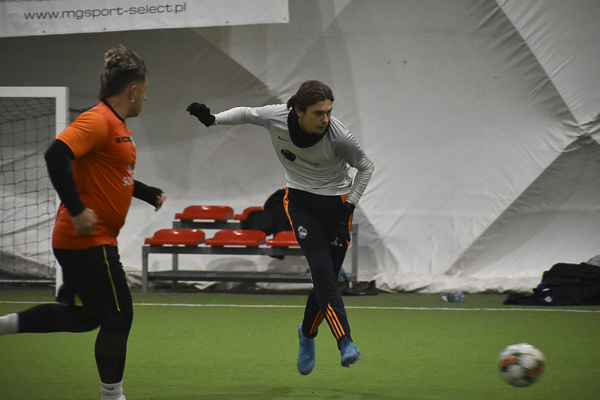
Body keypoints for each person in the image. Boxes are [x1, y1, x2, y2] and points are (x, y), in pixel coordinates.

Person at [0, 45, 166, 400]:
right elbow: (55, 154)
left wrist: (146, 192)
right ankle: (113, 396)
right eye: (145, 91)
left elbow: (113, 173)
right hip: (87, 240)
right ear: (133, 90)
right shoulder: (97, 119)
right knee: (118, 315)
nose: (145, 98)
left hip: (88, 240)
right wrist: (77, 210)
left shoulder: (116, 125)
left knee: (91, 317)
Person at [186, 80, 374, 375]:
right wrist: (213, 119)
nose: (325, 119)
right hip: (300, 202)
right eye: (318, 113)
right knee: (321, 270)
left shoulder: (340, 137)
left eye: (328, 111)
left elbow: (366, 167)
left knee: (326, 280)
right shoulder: (275, 116)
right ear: (298, 111)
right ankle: (345, 341)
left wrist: (348, 208)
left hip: (337, 206)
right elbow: (246, 113)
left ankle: (306, 334)